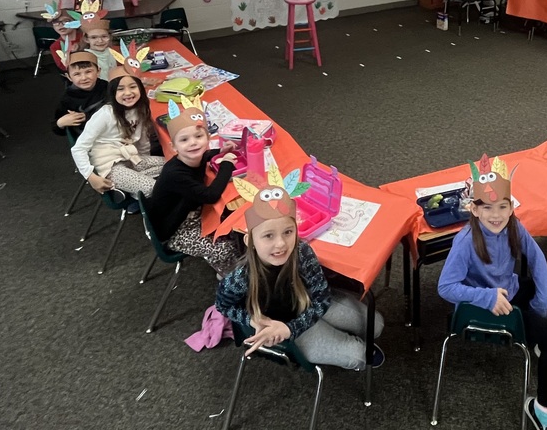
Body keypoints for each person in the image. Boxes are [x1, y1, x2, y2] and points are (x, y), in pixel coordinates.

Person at [438, 154, 547, 430]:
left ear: (511, 207)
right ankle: (542, 411)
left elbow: (537, 259)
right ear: (475, 210)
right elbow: (445, 287)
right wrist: (487, 297)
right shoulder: (465, 242)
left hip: (509, 290)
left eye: (503, 206)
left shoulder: (512, 225)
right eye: (488, 208)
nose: (496, 215)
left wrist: (542, 303)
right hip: (483, 306)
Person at [215, 175, 384, 369]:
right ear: (250, 242)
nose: (280, 244)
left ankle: (344, 336)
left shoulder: (302, 252)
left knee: (376, 325)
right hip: (283, 324)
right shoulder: (240, 278)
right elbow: (223, 306)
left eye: (288, 232)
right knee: (360, 358)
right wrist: (255, 320)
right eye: (268, 236)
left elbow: (322, 298)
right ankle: (349, 344)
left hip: (307, 303)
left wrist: (297, 324)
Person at [146, 100, 244, 276]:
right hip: (175, 230)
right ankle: (230, 278)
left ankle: (238, 266)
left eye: (199, 137)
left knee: (233, 224)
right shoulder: (176, 174)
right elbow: (211, 195)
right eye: (184, 140)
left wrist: (221, 151)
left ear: (207, 138)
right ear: (173, 147)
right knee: (225, 248)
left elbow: (204, 155)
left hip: (188, 213)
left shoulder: (191, 158)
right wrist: (227, 164)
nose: (193, 143)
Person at [71, 70, 165, 198]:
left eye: (133, 87)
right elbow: (78, 148)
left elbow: (142, 140)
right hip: (109, 166)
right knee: (156, 188)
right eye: (120, 89)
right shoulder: (105, 114)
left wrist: (142, 163)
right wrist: (90, 176)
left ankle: (130, 188)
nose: (128, 93)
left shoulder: (141, 109)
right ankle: (136, 191)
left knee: (173, 166)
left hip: (131, 158)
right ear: (113, 92)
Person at [52, 49, 109, 142]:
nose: (84, 78)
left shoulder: (107, 87)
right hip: (88, 140)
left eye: (88, 71)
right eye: (77, 74)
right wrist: (60, 123)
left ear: (98, 71)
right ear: (69, 77)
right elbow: (56, 128)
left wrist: (87, 116)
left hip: (111, 133)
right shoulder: (68, 98)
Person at [42, 4, 82, 73]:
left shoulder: (86, 38)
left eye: (66, 21)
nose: (60, 25)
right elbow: (64, 68)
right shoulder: (55, 46)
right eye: (55, 22)